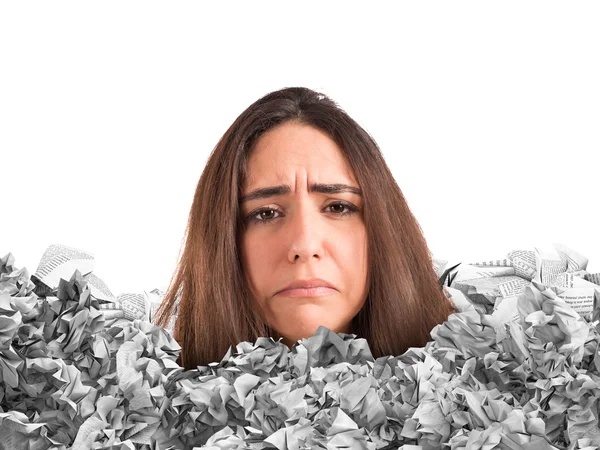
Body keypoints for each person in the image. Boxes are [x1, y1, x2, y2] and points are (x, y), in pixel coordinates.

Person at [153, 87, 456, 369]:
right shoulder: (139, 386)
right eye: (267, 213)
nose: (305, 245)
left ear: (384, 228)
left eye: (338, 207)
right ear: (223, 240)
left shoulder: (489, 371)